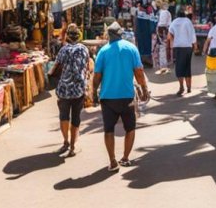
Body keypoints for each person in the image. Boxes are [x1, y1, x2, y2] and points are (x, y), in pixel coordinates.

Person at [93, 22, 150, 172]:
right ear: (121, 34)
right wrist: (144, 89)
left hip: (107, 97)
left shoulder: (103, 51)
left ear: (108, 35)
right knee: (130, 128)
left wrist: (93, 91)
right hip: (127, 96)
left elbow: (97, 76)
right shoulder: (131, 48)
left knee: (108, 129)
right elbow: (138, 72)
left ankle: (112, 161)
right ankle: (125, 157)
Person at [51, 24, 90, 157]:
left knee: (63, 116)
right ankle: (73, 147)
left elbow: (56, 66)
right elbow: (86, 67)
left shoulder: (63, 50)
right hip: (78, 88)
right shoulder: (84, 49)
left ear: (67, 36)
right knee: (76, 118)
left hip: (64, 89)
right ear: (78, 35)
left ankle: (66, 142)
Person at [168, 9, 197, 96]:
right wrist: (195, 47)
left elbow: (169, 35)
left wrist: (170, 45)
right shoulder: (188, 21)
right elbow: (193, 35)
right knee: (187, 66)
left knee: (179, 67)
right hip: (188, 47)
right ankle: (189, 88)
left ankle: (181, 87)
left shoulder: (174, 22)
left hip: (178, 47)